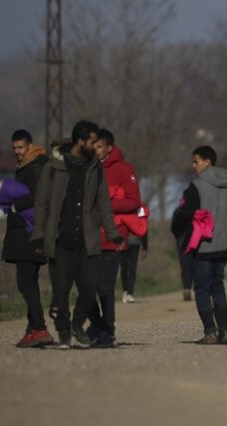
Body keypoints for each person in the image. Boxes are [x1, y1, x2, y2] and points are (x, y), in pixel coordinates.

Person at [32, 120, 122, 349]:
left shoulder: (94, 167)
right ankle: (63, 331)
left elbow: (103, 203)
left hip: (87, 240)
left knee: (90, 286)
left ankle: (77, 324)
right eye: (93, 142)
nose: (96, 146)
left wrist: (113, 233)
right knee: (60, 294)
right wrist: (39, 235)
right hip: (60, 241)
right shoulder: (53, 167)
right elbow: (42, 203)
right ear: (80, 142)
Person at [171, 146, 227, 344]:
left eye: (196, 161)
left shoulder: (196, 186)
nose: (193, 166)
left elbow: (185, 212)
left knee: (203, 289)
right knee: (218, 287)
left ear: (208, 162)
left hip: (203, 245)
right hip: (223, 246)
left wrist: (177, 230)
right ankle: (225, 331)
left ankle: (210, 332)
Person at [87, 129, 142, 347]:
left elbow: (133, 202)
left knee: (105, 288)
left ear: (109, 147)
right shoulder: (87, 167)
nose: (95, 150)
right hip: (88, 236)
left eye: (99, 146)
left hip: (113, 237)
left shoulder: (123, 169)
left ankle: (107, 331)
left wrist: (104, 204)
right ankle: (97, 325)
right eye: (93, 145)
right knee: (85, 287)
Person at [0, 129, 54, 347]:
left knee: (26, 282)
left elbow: (41, 195)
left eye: (20, 147)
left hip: (30, 234)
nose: (17, 152)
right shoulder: (26, 167)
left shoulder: (35, 168)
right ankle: (32, 329)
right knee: (27, 281)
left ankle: (39, 328)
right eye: (14, 148)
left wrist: (16, 204)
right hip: (25, 232)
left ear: (29, 146)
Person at [120, 232, 148, 304]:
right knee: (124, 268)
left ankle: (130, 293)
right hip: (123, 242)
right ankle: (125, 291)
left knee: (132, 268)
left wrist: (145, 247)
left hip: (135, 242)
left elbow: (143, 229)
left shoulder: (140, 219)